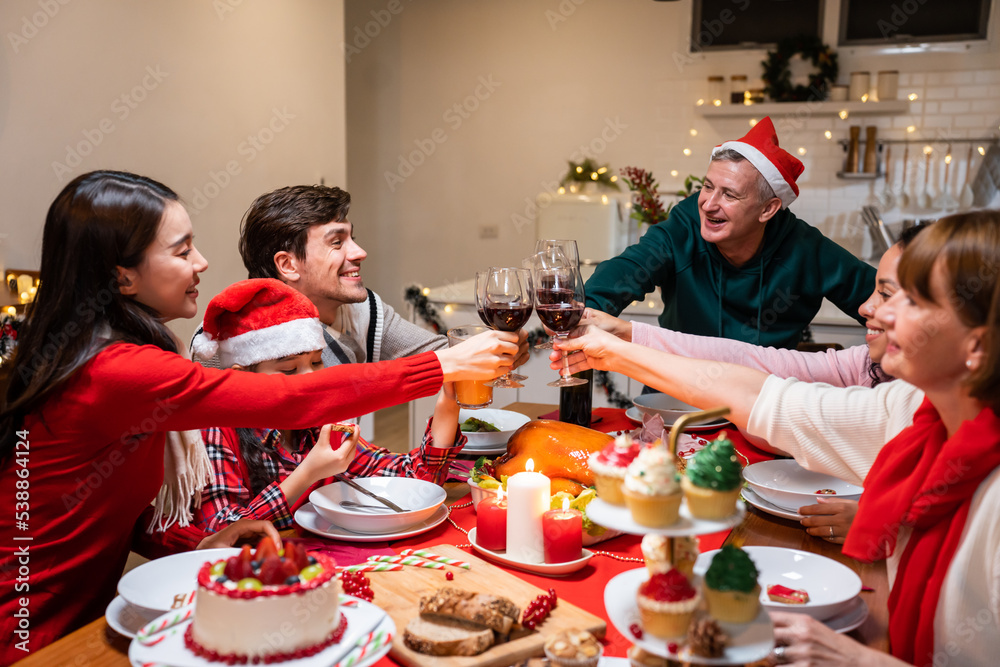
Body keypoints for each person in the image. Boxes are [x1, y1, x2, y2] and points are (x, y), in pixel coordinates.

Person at [0, 171, 517, 661]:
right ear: (122, 276)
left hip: (84, 610)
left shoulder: (124, 350)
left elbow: (118, 508)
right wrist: (436, 366)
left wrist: (204, 541)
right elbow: (289, 401)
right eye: (182, 251)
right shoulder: (116, 369)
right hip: (25, 624)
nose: (202, 262)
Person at [558, 211, 1000, 664]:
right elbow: (760, 392)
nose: (874, 310)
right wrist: (618, 349)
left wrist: (859, 660)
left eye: (908, 301)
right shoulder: (913, 410)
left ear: (977, 347)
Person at [576, 224, 926, 541]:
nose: (865, 306)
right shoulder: (868, 366)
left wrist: (888, 519)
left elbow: (767, 400)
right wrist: (628, 334)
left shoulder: (910, 404)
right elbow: (752, 365)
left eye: (885, 294)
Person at [189, 279, 469, 531]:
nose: (310, 379)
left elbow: (413, 482)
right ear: (241, 377)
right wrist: (308, 473)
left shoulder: (321, 423)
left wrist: (448, 404)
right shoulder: (217, 430)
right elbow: (221, 533)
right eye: (289, 369)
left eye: (315, 362)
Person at [584, 117, 875, 349]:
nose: (709, 204)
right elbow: (630, 267)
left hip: (760, 405)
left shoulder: (806, 250)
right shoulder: (685, 225)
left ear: (768, 209)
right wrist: (583, 311)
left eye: (730, 195)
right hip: (674, 400)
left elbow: (883, 303)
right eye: (708, 186)